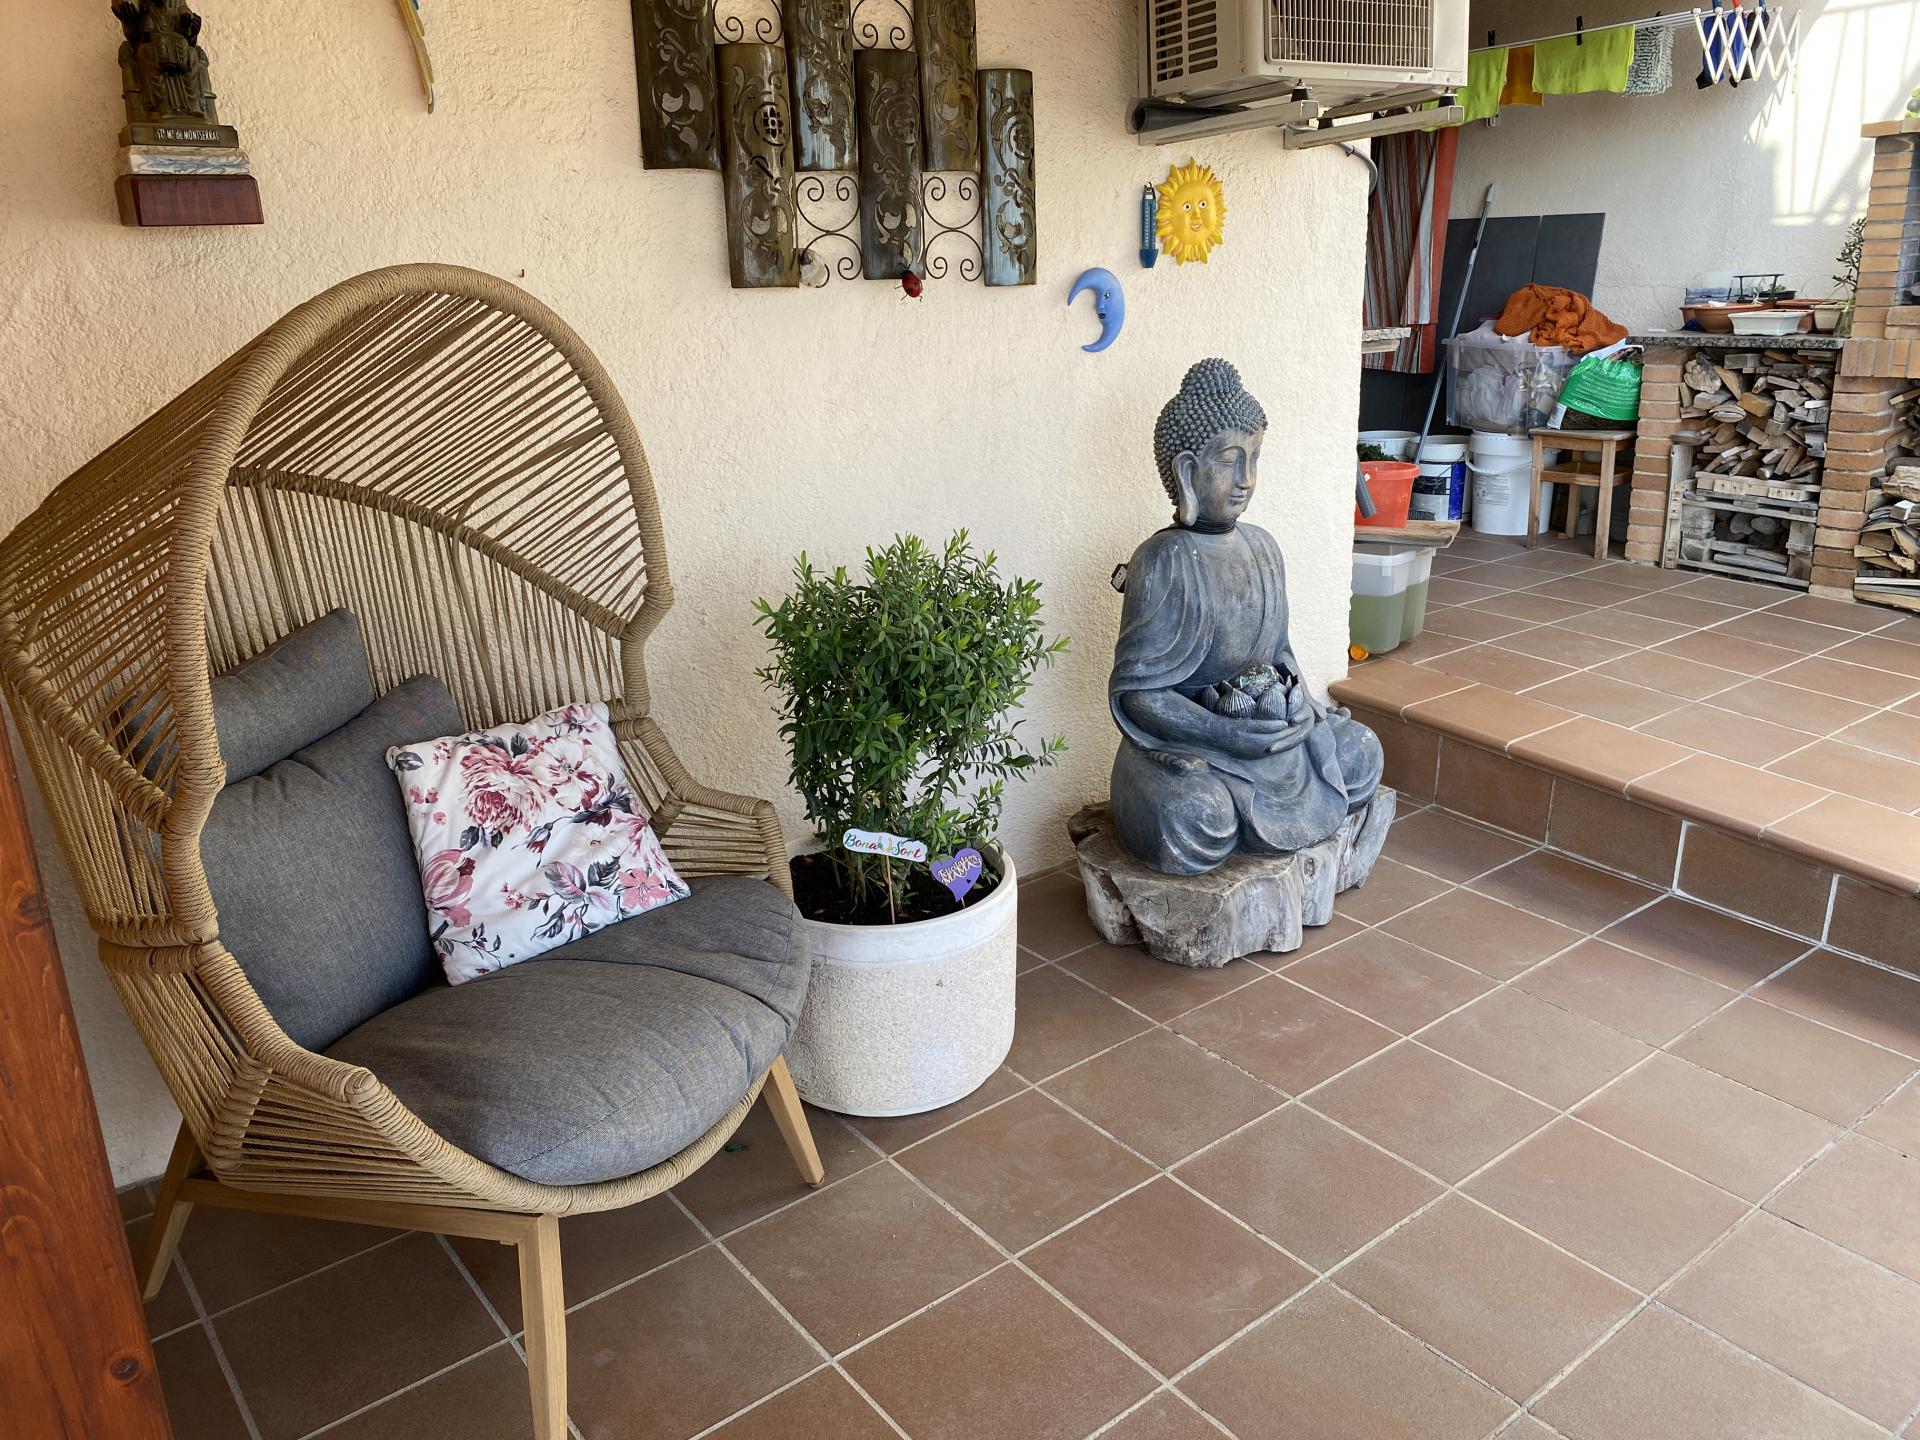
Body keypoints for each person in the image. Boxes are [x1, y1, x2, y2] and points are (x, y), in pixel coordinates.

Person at [1107, 359, 1384, 875]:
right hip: (1194, 745)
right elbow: (1140, 695)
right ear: (1187, 472)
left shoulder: (1263, 548)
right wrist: (1221, 732)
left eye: (1254, 458)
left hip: (1268, 733)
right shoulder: (1163, 560)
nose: (1246, 480)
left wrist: (1301, 709)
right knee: (1196, 817)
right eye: (1230, 461)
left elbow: (1280, 657)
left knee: (1360, 753)